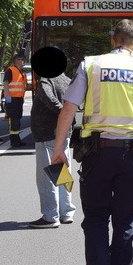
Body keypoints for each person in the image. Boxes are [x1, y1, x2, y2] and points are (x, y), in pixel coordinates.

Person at [51, 19, 133, 265]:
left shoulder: (91, 65)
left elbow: (68, 108)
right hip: (131, 155)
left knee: (96, 217)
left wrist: (58, 148)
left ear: (113, 39)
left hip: (96, 152)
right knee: (125, 221)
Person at [28, 67, 76, 228]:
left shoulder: (45, 80)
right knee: (63, 173)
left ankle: (50, 216)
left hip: (47, 133)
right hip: (65, 132)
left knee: (46, 177)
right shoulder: (67, 80)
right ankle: (66, 212)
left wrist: (63, 112)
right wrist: (68, 117)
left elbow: (49, 98)